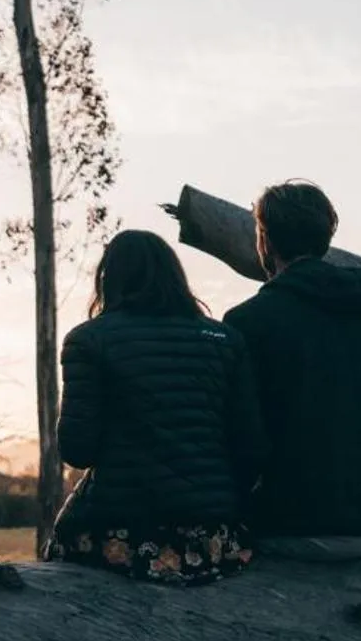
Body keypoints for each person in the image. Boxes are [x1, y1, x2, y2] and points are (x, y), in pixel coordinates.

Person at [222, 181, 361, 560]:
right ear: (326, 238)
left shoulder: (248, 323)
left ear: (265, 241)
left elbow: (241, 445)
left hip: (299, 528)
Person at [49, 230, 266, 585]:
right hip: (214, 539)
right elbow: (251, 446)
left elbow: (78, 449)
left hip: (124, 536)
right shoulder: (226, 340)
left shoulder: (89, 340)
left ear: (109, 279)